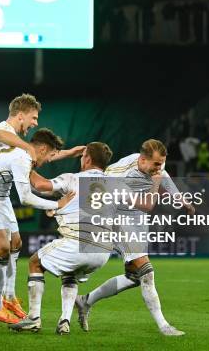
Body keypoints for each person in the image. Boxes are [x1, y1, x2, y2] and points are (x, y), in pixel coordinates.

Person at [0, 128, 75, 330]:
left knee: (4, 247)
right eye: (51, 155)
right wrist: (57, 205)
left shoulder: (19, 152)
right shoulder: (21, 158)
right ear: (42, 149)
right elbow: (25, 198)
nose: (48, 161)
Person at [0, 94, 84, 321]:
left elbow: (37, 156)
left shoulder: (18, 144)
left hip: (0, 197)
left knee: (13, 244)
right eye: (34, 117)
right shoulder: (3, 130)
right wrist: (56, 205)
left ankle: (8, 297)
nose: (35, 122)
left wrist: (68, 153)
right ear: (20, 115)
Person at [75, 139, 193, 336]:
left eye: (162, 162)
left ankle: (85, 301)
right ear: (143, 159)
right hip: (117, 216)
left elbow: (164, 178)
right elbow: (147, 203)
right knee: (147, 271)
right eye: (156, 163)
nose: (160, 167)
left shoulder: (155, 167)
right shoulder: (120, 173)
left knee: (134, 277)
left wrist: (183, 202)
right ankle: (164, 326)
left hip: (138, 218)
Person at [8, 142, 115, 335]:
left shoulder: (72, 179)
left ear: (88, 159)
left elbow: (40, 185)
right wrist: (60, 208)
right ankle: (64, 320)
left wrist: (24, 164)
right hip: (104, 251)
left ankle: (33, 318)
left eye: (82, 156)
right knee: (70, 273)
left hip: (79, 243)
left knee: (34, 263)